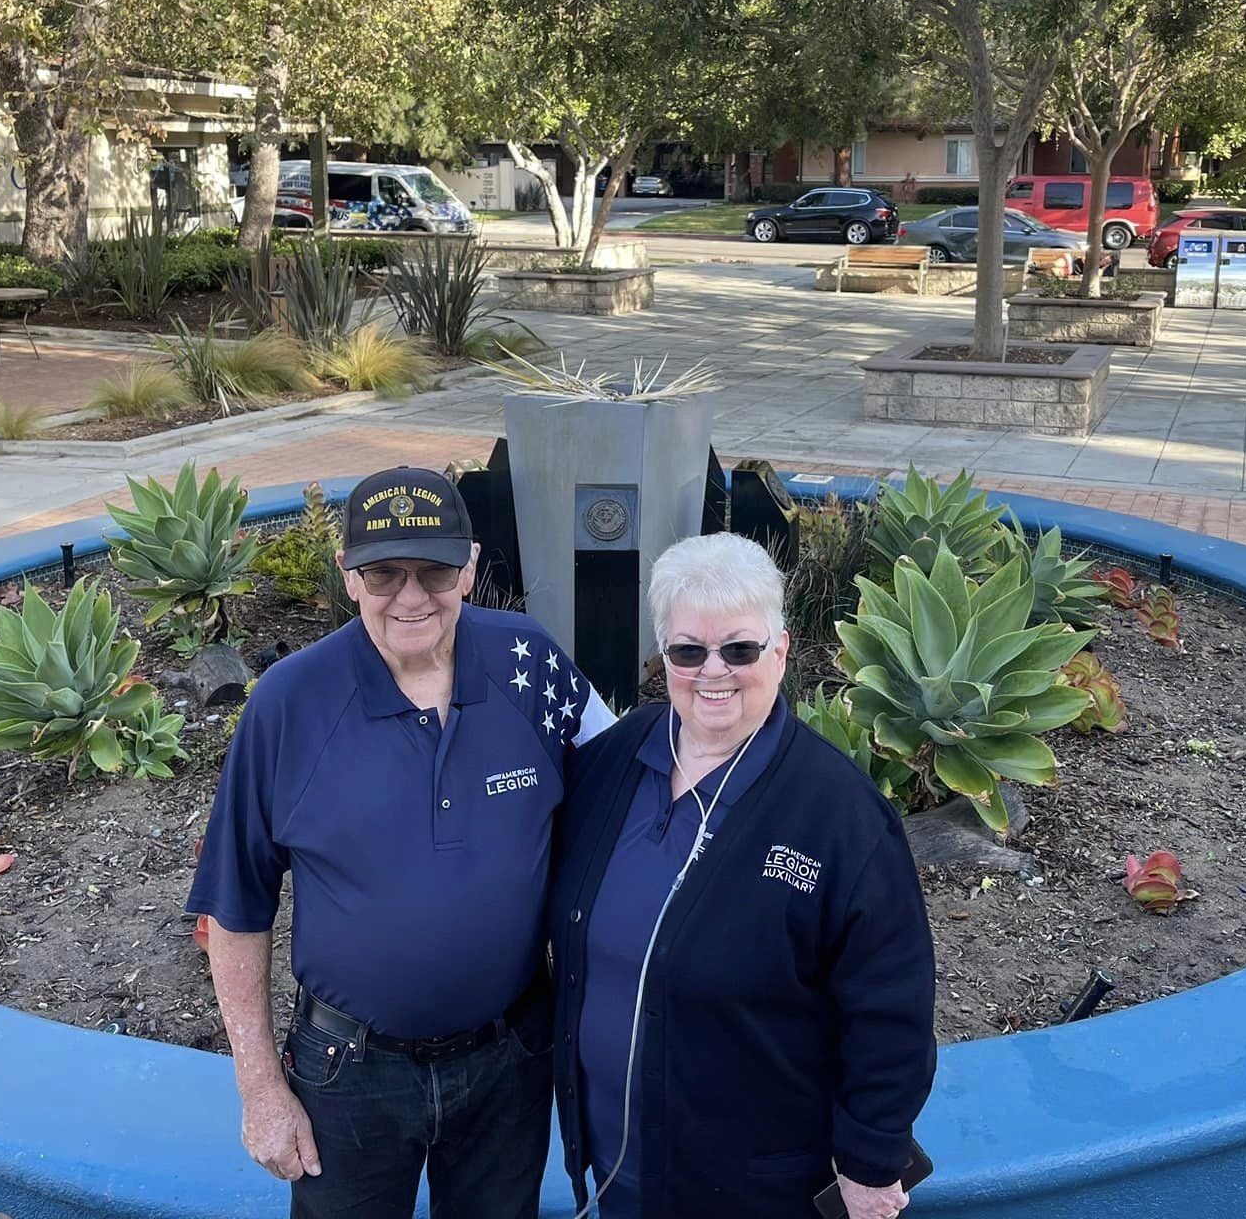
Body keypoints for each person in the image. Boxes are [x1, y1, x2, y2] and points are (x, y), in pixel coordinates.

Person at [186, 466, 614, 1219]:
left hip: (509, 1059)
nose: (411, 597)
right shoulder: (290, 702)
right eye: (383, 573)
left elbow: (627, 795)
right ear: (349, 576)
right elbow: (236, 906)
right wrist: (259, 1088)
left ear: (471, 568)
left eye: (436, 570)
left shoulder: (531, 665)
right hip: (349, 1072)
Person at [547, 533, 937, 1219]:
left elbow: (891, 1009)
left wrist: (872, 1161)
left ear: (780, 653)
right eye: (688, 651)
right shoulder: (612, 764)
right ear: (664, 656)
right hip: (613, 1169)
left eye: (740, 649)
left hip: (752, 1190)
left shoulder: (840, 817)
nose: (713, 671)